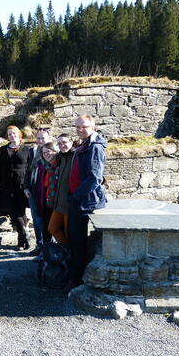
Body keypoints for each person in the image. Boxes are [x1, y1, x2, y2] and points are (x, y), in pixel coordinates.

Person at [65, 114, 107, 293]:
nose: (80, 130)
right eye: (78, 127)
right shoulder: (84, 144)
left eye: (84, 127)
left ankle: (76, 279)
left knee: (78, 240)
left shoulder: (94, 147)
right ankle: (75, 274)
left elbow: (94, 179)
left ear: (93, 127)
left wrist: (75, 196)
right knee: (74, 239)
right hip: (79, 199)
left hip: (85, 201)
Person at [0, 125, 32, 251]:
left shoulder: (27, 150)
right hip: (6, 185)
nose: (12, 135)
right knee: (13, 211)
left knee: (20, 211)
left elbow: (30, 169)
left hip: (21, 185)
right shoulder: (2, 149)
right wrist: (1, 186)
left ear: (19, 134)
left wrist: (28, 185)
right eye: (9, 134)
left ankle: (21, 239)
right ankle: (24, 235)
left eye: (14, 133)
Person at [23, 128, 51, 255]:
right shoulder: (32, 151)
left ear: (48, 139)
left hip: (46, 190)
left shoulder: (51, 152)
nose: (40, 141)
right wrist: (26, 187)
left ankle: (48, 246)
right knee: (36, 219)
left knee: (46, 219)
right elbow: (28, 171)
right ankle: (39, 245)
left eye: (43, 138)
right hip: (33, 190)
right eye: (38, 138)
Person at [47, 134, 75, 245]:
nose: (62, 145)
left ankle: (72, 256)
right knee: (52, 228)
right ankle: (67, 250)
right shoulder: (61, 157)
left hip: (70, 202)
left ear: (71, 142)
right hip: (59, 202)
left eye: (64, 142)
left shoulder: (76, 156)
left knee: (69, 232)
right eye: (59, 143)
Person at [37, 141, 59, 245]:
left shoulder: (59, 165)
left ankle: (63, 251)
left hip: (59, 202)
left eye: (48, 151)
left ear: (55, 151)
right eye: (44, 153)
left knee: (55, 228)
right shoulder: (46, 166)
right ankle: (47, 253)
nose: (46, 154)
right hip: (48, 201)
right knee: (46, 228)